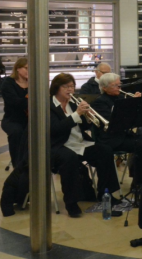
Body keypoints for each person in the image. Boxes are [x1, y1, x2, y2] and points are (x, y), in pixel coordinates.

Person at [49, 73, 121, 218]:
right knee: (69, 158)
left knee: (105, 151)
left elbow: (84, 126)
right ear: (56, 88)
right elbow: (55, 129)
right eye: (66, 86)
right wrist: (77, 114)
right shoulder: (49, 105)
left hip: (79, 143)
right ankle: (71, 202)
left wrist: (88, 117)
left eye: (72, 86)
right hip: (58, 145)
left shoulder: (73, 103)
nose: (70, 89)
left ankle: (106, 194)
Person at [93, 73, 142, 189]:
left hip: (123, 135)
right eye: (115, 86)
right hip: (110, 139)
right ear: (104, 87)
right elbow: (114, 123)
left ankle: (140, 180)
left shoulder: (120, 97)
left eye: (119, 85)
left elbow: (134, 120)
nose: (119, 88)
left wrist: (137, 104)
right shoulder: (100, 102)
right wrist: (130, 105)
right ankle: (139, 183)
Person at [0, 58, 29, 167]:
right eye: (26, 68)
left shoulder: (33, 83)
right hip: (12, 119)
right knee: (16, 132)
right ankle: (18, 166)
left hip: (29, 120)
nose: (29, 71)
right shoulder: (8, 83)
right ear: (18, 68)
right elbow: (16, 103)